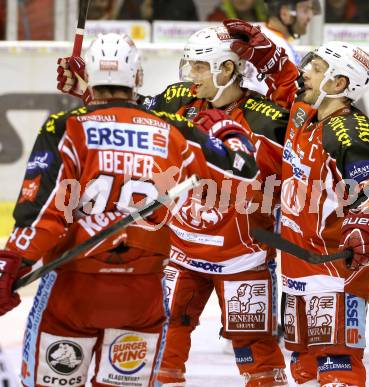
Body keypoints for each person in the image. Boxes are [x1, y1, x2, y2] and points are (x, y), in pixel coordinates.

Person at [0, 32, 259, 387]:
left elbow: (42, 213)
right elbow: (243, 167)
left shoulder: (66, 126)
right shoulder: (173, 129)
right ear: (137, 77)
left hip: (74, 290)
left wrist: (12, 262)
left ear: (91, 76)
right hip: (142, 293)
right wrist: (228, 129)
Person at [56, 25, 289, 387]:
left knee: (257, 353)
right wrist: (87, 88)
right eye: (188, 65)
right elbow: (131, 115)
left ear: (226, 69)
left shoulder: (268, 118)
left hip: (243, 259)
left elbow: (310, 144)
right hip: (181, 252)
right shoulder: (179, 99)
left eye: (198, 67)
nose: (189, 75)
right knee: (164, 342)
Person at [223, 20, 369, 387]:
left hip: (337, 269)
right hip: (301, 264)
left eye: (317, 69)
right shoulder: (304, 114)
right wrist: (265, 54)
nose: (306, 72)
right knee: (303, 363)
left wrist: (365, 226)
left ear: (339, 83)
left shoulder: (347, 130)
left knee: (337, 364)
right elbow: (287, 82)